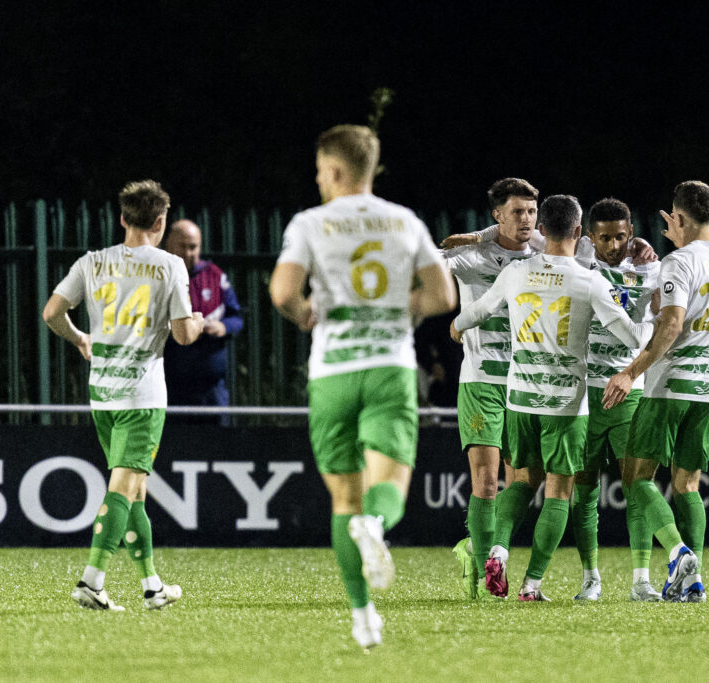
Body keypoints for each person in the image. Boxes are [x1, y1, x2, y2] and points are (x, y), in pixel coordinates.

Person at [269, 124, 455, 649]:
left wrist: (304, 311)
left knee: (343, 502)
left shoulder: (311, 222)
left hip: (331, 373)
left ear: (333, 171)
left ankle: (362, 616)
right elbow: (442, 294)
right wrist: (404, 310)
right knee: (387, 489)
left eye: (320, 172)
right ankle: (377, 524)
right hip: (388, 369)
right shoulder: (403, 221)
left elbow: (283, 291)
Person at [452, 194, 653, 601]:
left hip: (519, 401)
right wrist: (653, 328)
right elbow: (632, 337)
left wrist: (457, 326)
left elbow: (477, 313)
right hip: (565, 404)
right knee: (560, 492)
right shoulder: (588, 280)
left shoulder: (515, 273)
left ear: (541, 230)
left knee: (521, 483)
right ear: (579, 233)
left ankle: (497, 549)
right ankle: (531, 584)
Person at [42, 180, 205, 611]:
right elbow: (186, 335)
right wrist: (200, 321)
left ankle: (152, 586)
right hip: (142, 395)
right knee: (123, 488)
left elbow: (52, 312)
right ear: (160, 221)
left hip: (103, 393)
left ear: (121, 218)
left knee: (134, 492)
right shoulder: (170, 265)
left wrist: (80, 339)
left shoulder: (92, 262)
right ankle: (91, 581)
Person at [602, 180, 709, 603]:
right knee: (688, 483)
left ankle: (679, 552)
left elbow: (671, 324)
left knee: (638, 476)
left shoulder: (677, 263)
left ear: (677, 217)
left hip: (670, 385)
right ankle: (692, 581)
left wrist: (630, 372)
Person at [442, 177, 544, 600]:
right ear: (497, 215)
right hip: (482, 379)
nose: (526, 219)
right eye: (517, 211)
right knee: (486, 482)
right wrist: (479, 239)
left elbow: (588, 247)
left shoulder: (543, 253)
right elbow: (427, 265)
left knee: (524, 479)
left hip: (526, 382)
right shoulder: (472, 256)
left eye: (532, 211)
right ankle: (487, 578)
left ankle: (479, 548)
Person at [570, 198, 661, 602]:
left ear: (631, 232)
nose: (613, 244)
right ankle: (590, 577)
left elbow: (663, 321)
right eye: (604, 237)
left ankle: (641, 579)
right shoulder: (581, 261)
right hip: (583, 391)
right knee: (584, 487)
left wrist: (643, 248)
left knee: (637, 485)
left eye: (621, 236)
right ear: (590, 238)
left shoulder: (650, 267)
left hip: (629, 391)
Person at [162, 219, 244, 423]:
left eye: (194, 247)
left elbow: (237, 318)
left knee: (218, 447)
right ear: (168, 245)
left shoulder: (215, 276)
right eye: (183, 246)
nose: (189, 253)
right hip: (171, 386)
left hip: (211, 389)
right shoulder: (157, 277)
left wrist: (223, 327)